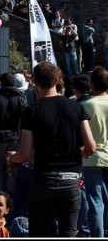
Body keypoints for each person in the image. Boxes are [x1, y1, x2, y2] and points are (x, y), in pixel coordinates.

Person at [6, 62, 96, 237]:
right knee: (68, 233)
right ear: (57, 80)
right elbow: (91, 147)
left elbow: (25, 153)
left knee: (40, 232)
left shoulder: (32, 111)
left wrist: (11, 158)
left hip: (44, 178)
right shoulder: (76, 107)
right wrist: (75, 153)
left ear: (35, 83)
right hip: (71, 179)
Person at [81, 66, 108, 237]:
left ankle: (97, 235)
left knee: (95, 201)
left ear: (92, 84)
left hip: (92, 157)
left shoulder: (86, 105)